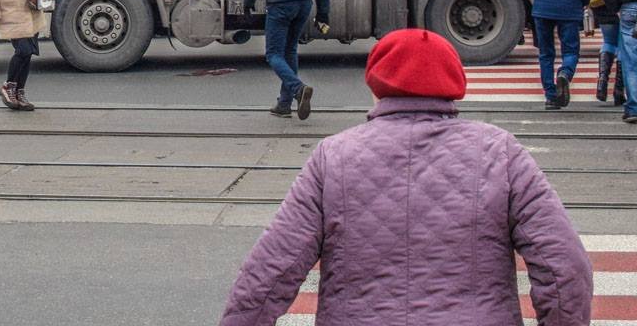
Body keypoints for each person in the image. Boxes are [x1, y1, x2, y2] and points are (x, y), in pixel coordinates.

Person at [219, 29, 593, 326]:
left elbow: (270, 271)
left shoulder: (334, 157)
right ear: (454, 81)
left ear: (376, 81)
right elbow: (565, 267)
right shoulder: (499, 152)